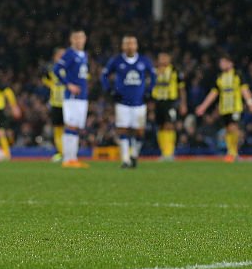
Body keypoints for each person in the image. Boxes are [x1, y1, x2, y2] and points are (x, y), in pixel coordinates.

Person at [102, 35, 156, 168]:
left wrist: (149, 91)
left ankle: (134, 155)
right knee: (123, 130)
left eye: (132, 43)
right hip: (122, 102)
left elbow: (154, 76)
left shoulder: (144, 61)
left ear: (136, 46)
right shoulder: (116, 60)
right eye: (127, 44)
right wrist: (110, 90)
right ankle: (125, 160)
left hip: (139, 102)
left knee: (139, 131)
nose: (130, 46)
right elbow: (104, 75)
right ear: (123, 46)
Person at [195, 53, 252, 162]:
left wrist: (250, 102)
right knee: (228, 129)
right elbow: (213, 93)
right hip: (224, 108)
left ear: (231, 63)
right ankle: (232, 152)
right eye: (221, 62)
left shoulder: (237, 75)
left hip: (236, 107)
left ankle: (233, 152)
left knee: (234, 128)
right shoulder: (220, 77)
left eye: (224, 62)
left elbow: (244, 90)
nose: (221, 64)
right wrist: (203, 106)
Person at [53, 28, 90, 168]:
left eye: (82, 38)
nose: (79, 40)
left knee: (76, 127)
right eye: (77, 38)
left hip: (82, 96)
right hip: (72, 96)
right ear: (72, 40)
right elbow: (57, 69)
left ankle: (72, 158)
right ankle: (68, 159)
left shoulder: (83, 54)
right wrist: (68, 84)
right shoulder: (69, 53)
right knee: (71, 126)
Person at [151, 51, 186, 162]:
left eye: (165, 57)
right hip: (158, 102)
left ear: (169, 59)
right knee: (161, 126)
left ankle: (169, 153)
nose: (163, 60)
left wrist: (183, 103)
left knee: (169, 125)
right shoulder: (154, 71)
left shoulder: (175, 71)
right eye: (161, 57)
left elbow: (181, 88)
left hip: (170, 102)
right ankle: (163, 152)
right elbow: (150, 88)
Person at [41, 48, 66, 162]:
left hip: (68, 103)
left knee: (68, 129)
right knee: (57, 129)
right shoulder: (52, 71)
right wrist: (52, 86)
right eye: (59, 55)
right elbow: (44, 79)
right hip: (56, 103)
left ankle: (68, 153)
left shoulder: (70, 69)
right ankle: (61, 153)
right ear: (55, 57)